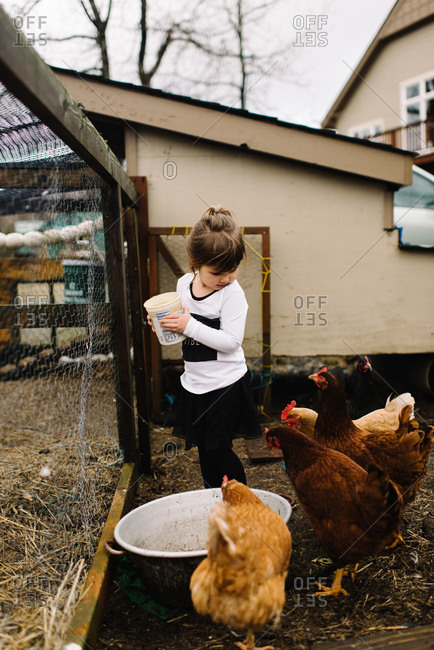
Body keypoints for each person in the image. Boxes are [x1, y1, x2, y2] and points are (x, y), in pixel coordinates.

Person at [155, 206, 261, 488]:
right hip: (195, 385)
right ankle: (215, 501)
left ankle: (243, 504)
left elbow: (231, 342)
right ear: (195, 262)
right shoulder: (182, 285)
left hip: (225, 385)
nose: (226, 278)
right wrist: (162, 325)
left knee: (218, 448)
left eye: (233, 269)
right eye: (217, 272)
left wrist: (189, 325)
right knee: (204, 451)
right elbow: (180, 329)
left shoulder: (231, 295)